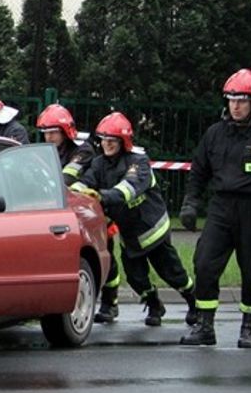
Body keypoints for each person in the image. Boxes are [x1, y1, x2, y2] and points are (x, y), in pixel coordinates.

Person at [70, 112, 197, 327]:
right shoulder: (99, 163)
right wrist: (72, 192)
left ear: (123, 141)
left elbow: (128, 189)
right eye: (104, 140)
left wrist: (102, 196)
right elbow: (87, 181)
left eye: (112, 141)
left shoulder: (138, 162)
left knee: (172, 272)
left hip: (151, 228)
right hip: (129, 233)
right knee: (135, 276)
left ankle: (194, 304)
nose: (107, 144)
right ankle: (154, 303)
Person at [179, 69, 251, 348]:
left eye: (242, 100)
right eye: (231, 99)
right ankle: (205, 325)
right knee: (205, 264)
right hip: (220, 208)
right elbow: (198, 172)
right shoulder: (215, 134)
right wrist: (190, 204)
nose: (235, 105)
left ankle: (248, 328)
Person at [37, 104, 123, 322]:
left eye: (53, 132)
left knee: (106, 256)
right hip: (59, 210)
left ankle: (110, 303)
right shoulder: (45, 152)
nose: (49, 137)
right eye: (46, 133)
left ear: (65, 131)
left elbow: (66, 176)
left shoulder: (82, 150)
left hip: (88, 211)